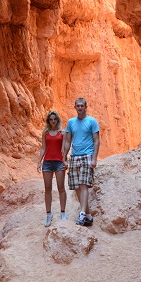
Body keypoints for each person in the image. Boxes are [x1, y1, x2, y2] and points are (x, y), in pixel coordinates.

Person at [62, 97, 100, 226]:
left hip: (87, 155)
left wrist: (94, 158)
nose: (80, 108)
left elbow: (96, 140)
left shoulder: (92, 121)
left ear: (85, 107)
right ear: (75, 107)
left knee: (84, 185)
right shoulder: (71, 122)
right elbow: (67, 141)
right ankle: (88, 216)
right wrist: (64, 157)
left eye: (82, 106)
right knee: (76, 186)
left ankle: (82, 214)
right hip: (74, 156)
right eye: (77, 106)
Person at [36, 110, 67, 227]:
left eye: (55, 119)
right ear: (48, 121)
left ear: (57, 120)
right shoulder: (46, 132)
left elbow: (64, 148)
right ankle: (49, 214)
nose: (53, 121)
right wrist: (39, 162)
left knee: (61, 187)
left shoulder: (62, 133)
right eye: (51, 119)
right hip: (47, 162)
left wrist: (65, 160)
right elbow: (43, 148)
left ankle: (63, 212)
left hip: (59, 162)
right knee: (47, 188)